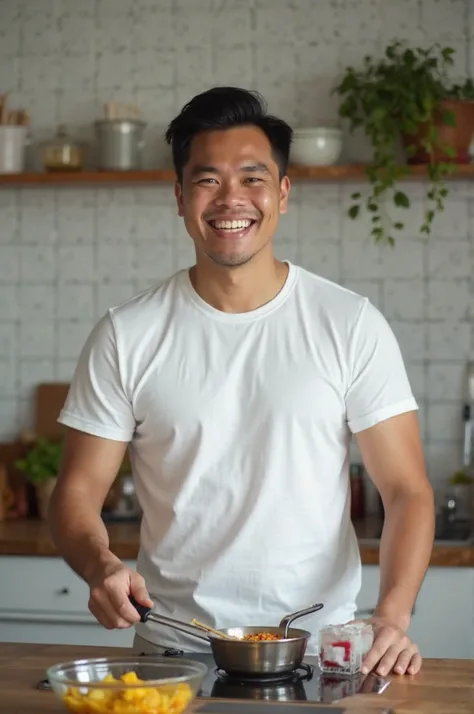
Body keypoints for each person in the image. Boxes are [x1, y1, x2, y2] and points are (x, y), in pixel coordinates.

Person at [49, 86, 434, 677]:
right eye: (207, 180)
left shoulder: (349, 324)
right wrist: (101, 565)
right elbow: (76, 494)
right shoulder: (127, 334)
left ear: (283, 193)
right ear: (179, 197)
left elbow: (406, 490)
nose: (232, 199)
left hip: (319, 650)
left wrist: (393, 615)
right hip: (173, 651)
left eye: (253, 178)